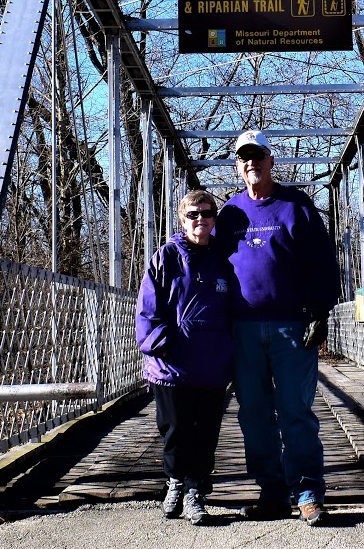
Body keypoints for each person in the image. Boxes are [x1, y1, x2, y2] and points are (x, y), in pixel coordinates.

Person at [216, 130, 340, 527]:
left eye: (257, 155)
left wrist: (320, 312)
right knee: (253, 413)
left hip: (291, 326)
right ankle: (271, 491)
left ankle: (307, 494)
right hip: (242, 329)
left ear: (271, 160)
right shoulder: (228, 214)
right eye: (243, 157)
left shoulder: (296, 206)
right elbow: (211, 267)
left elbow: (321, 260)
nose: (251, 162)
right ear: (238, 166)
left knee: (295, 410)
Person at [136, 189, 235, 526]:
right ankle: (175, 482)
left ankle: (196, 490)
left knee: (206, 430)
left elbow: (239, 306)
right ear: (182, 219)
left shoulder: (225, 258)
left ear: (214, 219)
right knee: (175, 428)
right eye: (193, 214)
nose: (201, 220)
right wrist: (159, 343)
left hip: (211, 363)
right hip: (172, 364)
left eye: (207, 214)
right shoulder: (166, 256)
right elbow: (148, 308)